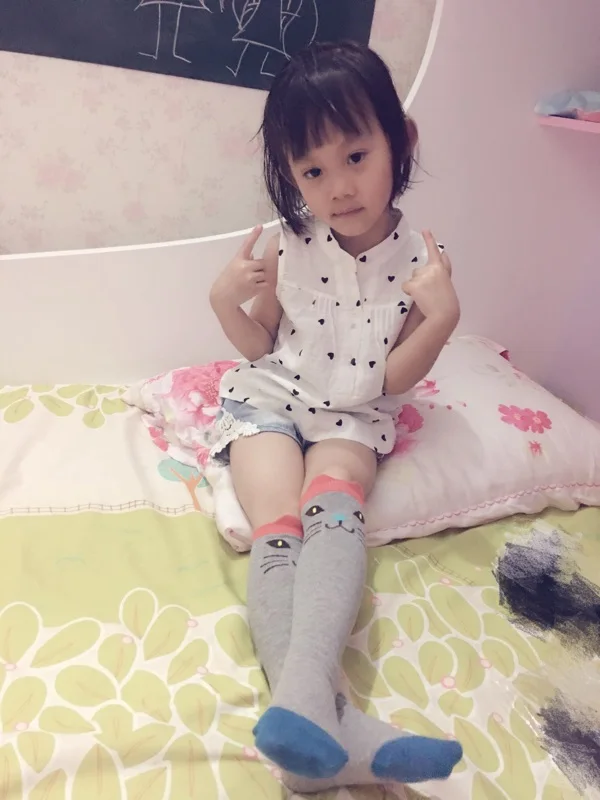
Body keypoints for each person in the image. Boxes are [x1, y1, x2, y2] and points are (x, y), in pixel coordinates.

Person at [209, 40, 462, 791]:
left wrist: (442, 320)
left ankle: (309, 720)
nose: (338, 187)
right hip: (272, 395)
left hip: (353, 413)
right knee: (278, 524)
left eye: (356, 156)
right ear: (291, 175)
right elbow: (260, 343)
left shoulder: (421, 262)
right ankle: (329, 716)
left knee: (335, 506)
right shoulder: (289, 245)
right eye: (312, 170)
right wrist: (223, 300)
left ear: (400, 141)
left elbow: (393, 377)